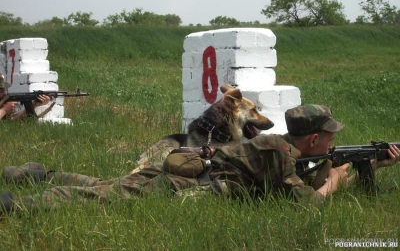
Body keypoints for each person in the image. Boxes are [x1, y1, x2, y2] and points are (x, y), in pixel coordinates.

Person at [1, 104, 399, 215]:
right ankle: (16, 204)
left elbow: (295, 184)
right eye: (330, 135)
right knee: (102, 198)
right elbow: (308, 201)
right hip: (183, 184)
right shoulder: (277, 151)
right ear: (314, 138)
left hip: (191, 177)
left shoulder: (286, 150)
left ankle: (39, 174)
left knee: (103, 187)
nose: (334, 139)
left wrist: (373, 165)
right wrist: (335, 181)